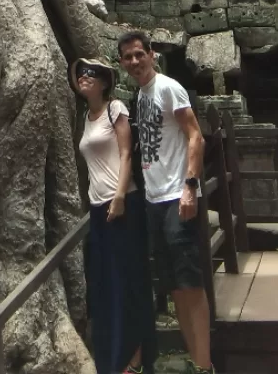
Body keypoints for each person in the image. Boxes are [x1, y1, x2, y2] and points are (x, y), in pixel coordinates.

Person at [117, 31, 214, 374]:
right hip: (154, 199)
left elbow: (195, 135)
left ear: (152, 54)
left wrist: (190, 186)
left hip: (177, 195)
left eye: (139, 55)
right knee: (174, 285)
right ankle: (196, 359)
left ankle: (205, 365)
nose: (134, 62)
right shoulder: (139, 97)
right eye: (127, 57)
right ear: (122, 63)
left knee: (189, 282)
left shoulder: (169, 87)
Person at [72, 55, 156, 374]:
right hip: (97, 208)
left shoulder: (114, 109)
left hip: (122, 204)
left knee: (127, 280)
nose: (84, 76)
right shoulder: (86, 116)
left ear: (105, 82)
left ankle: (134, 357)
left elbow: (125, 153)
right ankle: (110, 357)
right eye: (81, 72)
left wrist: (120, 195)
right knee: (105, 284)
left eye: (92, 73)